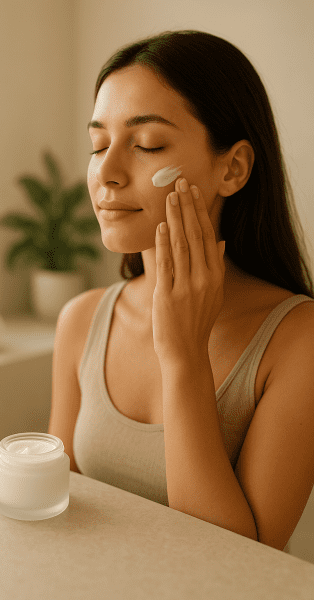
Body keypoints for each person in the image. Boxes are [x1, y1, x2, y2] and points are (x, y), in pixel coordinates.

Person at [48, 30, 314, 552]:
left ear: (232, 168)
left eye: (146, 145)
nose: (106, 172)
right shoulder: (81, 320)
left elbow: (238, 564)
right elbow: (60, 501)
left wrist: (184, 355)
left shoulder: (298, 342)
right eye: (98, 144)